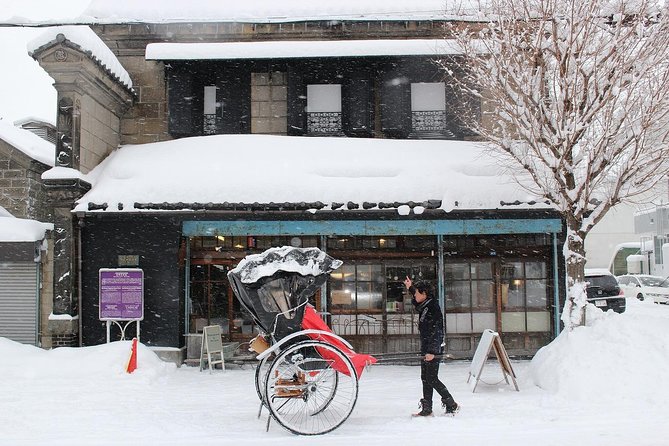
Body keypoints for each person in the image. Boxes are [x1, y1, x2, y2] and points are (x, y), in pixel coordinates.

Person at [404, 276, 459, 417]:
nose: (414, 295)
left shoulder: (433, 308)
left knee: (431, 378)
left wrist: (432, 352)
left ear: (425, 294)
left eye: (417, 293)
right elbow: (417, 303)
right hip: (427, 346)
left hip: (433, 348)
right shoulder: (425, 305)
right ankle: (427, 409)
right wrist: (411, 288)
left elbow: (437, 331)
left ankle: (451, 404)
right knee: (425, 377)